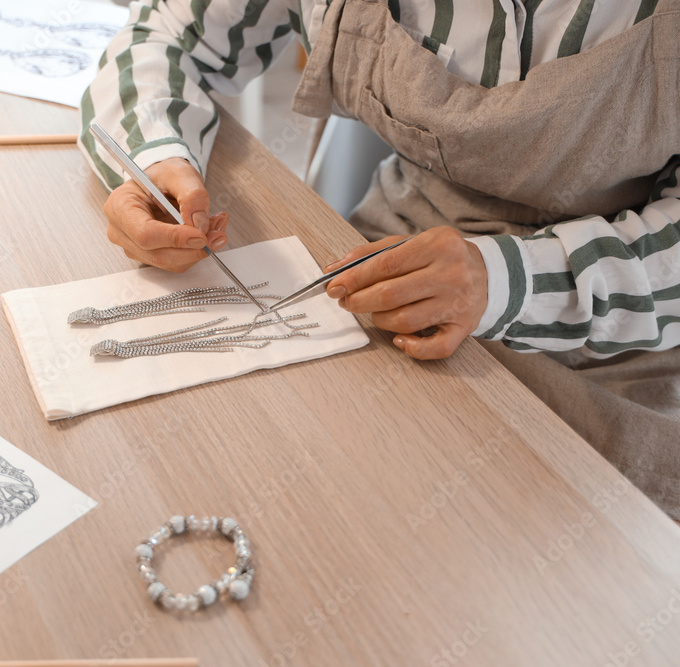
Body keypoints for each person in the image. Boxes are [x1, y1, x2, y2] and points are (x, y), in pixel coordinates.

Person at [78, 0, 680, 517]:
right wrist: (155, 157)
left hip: (620, 335)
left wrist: (501, 278)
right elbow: (169, 33)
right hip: (384, 257)